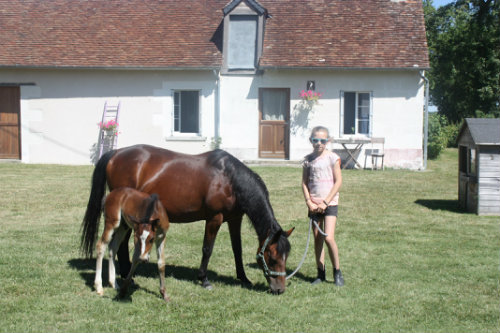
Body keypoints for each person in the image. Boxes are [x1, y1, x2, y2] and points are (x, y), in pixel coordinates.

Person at [302, 126, 344, 286]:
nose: (319, 143)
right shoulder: (307, 160)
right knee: (318, 239)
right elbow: (304, 183)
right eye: (315, 140)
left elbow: (338, 181)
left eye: (322, 140)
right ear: (311, 140)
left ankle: (337, 272)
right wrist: (309, 202)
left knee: (328, 237)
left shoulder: (333, 158)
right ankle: (321, 273)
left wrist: (326, 202)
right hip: (314, 204)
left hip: (330, 203)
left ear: (328, 141)